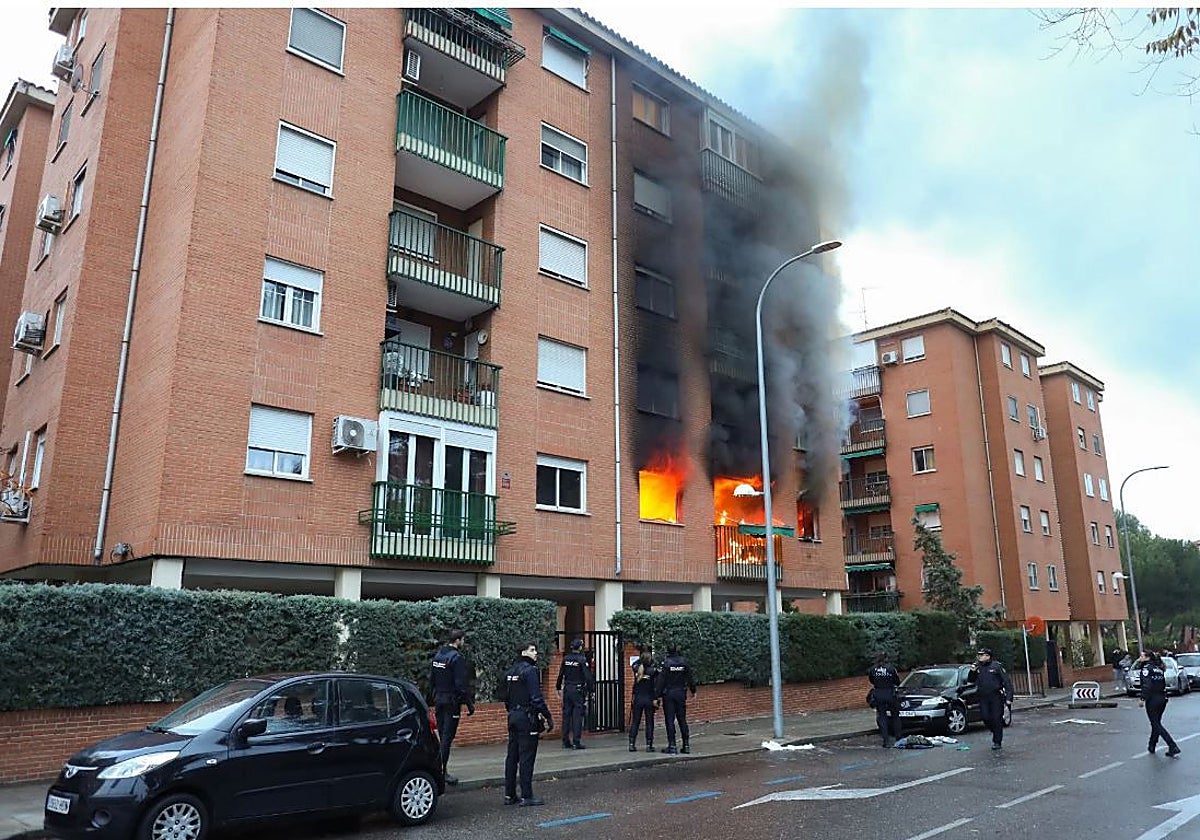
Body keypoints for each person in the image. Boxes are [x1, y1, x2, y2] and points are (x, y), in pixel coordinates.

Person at [503, 641, 553, 806]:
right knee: (526, 757)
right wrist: (547, 716)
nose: (535, 653)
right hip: (527, 718)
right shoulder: (530, 671)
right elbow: (536, 698)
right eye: (532, 650)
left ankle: (509, 795)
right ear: (523, 652)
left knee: (512, 756)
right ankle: (527, 795)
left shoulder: (510, 671)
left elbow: (506, 697)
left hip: (513, 716)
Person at [429, 629, 474, 785]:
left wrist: (433, 698)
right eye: (463, 640)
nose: (463, 643)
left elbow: (432, 680)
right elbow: (461, 684)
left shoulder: (438, 656)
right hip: (451, 702)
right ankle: (441, 772)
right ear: (458, 640)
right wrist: (468, 703)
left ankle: (440, 769)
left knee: (442, 735)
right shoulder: (456, 658)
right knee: (447, 738)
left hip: (439, 700)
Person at [967, 647, 1012, 750]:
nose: (980, 657)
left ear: (988, 656)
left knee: (997, 718)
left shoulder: (996, 666)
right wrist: (972, 671)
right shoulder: (977, 667)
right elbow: (970, 680)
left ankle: (997, 741)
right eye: (979, 655)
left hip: (996, 695)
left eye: (982, 655)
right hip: (983, 696)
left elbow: (1006, 681)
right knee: (985, 717)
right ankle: (994, 730)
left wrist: (1009, 697)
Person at [655, 643, 697, 754]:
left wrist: (656, 696)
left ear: (667, 651)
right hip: (680, 693)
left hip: (669, 694)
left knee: (669, 720)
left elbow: (661, 681)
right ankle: (686, 745)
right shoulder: (684, 662)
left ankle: (672, 745)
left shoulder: (666, 664)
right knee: (682, 719)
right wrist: (693, 690)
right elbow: (690, 678)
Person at [1137, 651, 1181, 757]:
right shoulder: (1159, 669)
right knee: (1156, 723)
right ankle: (1152, 745)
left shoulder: (1146, 669)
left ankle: (1172, 745)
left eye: (1142, 656)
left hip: (1153, 699)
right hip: (1162, 698)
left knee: (1155, 724)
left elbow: (1147, 685)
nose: (1140, 657)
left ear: (1147, 658)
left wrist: (1142, 698)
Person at [868, 652, 902, 748]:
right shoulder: (891, 669)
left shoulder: (873, 670)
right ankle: (898, 738)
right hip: (890, 694)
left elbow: (871, 680)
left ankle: (886, 741)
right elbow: (897, 681)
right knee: (895, 716)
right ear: (886, 658)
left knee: (882, 716)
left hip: (878, 694)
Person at [629, 646, 659, 752]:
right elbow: (656, 686)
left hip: (638, 698)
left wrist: (641, 659)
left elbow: (636, 664)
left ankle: (632, 744)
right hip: (649, 699)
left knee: (635, 722)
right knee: (649, 722)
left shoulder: (636, 668)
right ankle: (649, 745)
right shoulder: (653, 670)